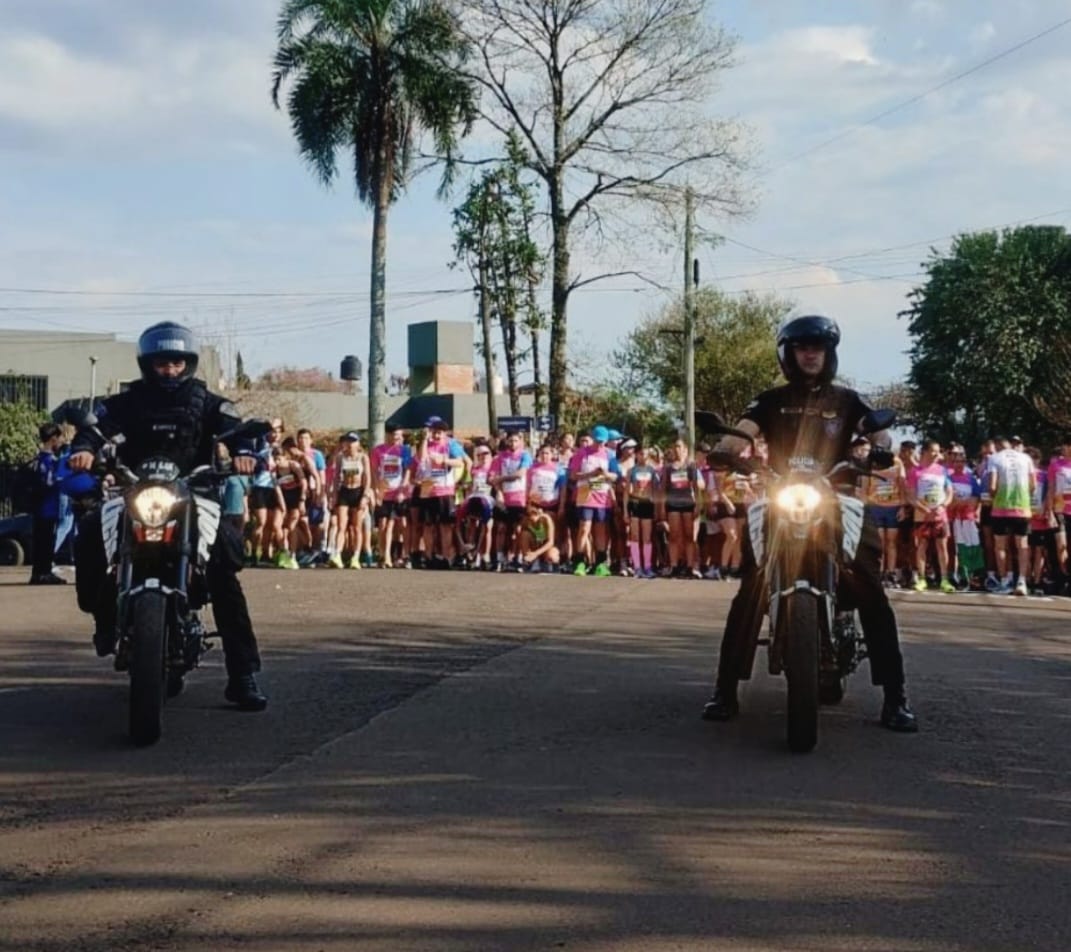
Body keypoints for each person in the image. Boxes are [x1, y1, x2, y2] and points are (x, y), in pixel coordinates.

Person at [701, 314, 918, 733]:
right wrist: (725, 451)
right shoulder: (770, 400)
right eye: (802, 348)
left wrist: (876, 451)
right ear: (789, 354)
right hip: (782, 494)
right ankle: (725, 690)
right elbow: (740, 434)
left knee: (871, 588)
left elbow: (877, 434)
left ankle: (896, 696)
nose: (811, 354)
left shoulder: (847, 401)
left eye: (818, 347)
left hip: (835, 496)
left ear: (829, 353)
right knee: (751, 587)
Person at [68, 321, 267, 710]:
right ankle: (104, 620)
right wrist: (84, 448)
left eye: (177, 362)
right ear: (147, 364)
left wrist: (245, 450)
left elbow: (236, 428)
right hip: (132, 490)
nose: (170, 369)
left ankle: (243, 674)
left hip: (194, 492)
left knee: (223, 568)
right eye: (162, 363)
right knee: (90, 534)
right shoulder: (127, 401)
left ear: (188, 363)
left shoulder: (206, 401)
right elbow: (96, 428)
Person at [28, 422, 67, 585]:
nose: (61, 442)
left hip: (40, 508)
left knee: (41, 541)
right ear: (52, 439)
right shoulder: (48, 461)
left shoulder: (38, 459)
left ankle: (39, 572)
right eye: (59, 438)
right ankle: (44, 572)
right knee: (46, 541)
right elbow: (49, 482)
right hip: (47, 508)